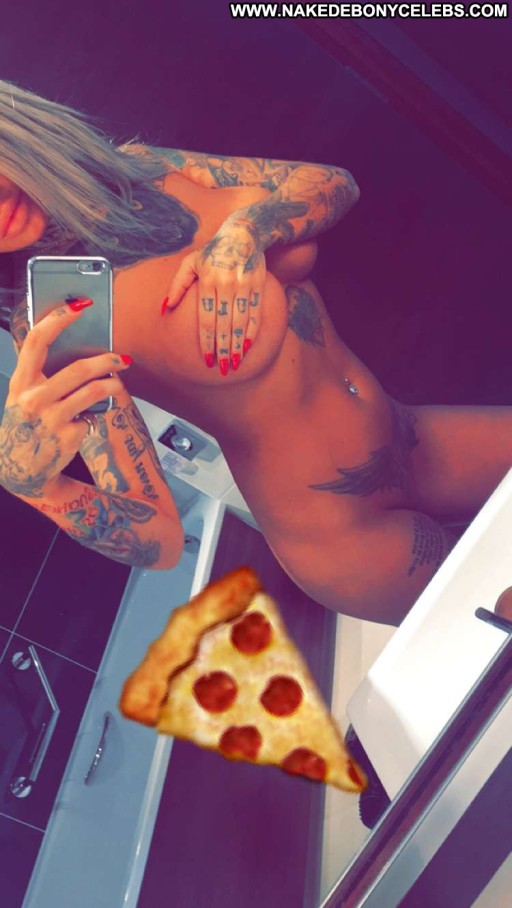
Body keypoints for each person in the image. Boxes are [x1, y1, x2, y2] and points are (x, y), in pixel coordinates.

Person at [1, 80, 511, 626]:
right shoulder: (58, 315)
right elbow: (161, 539)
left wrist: (249, 228)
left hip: (416, 442)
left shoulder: (142, 170)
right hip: (347, 535)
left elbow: (333, 182)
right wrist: (35, 486)